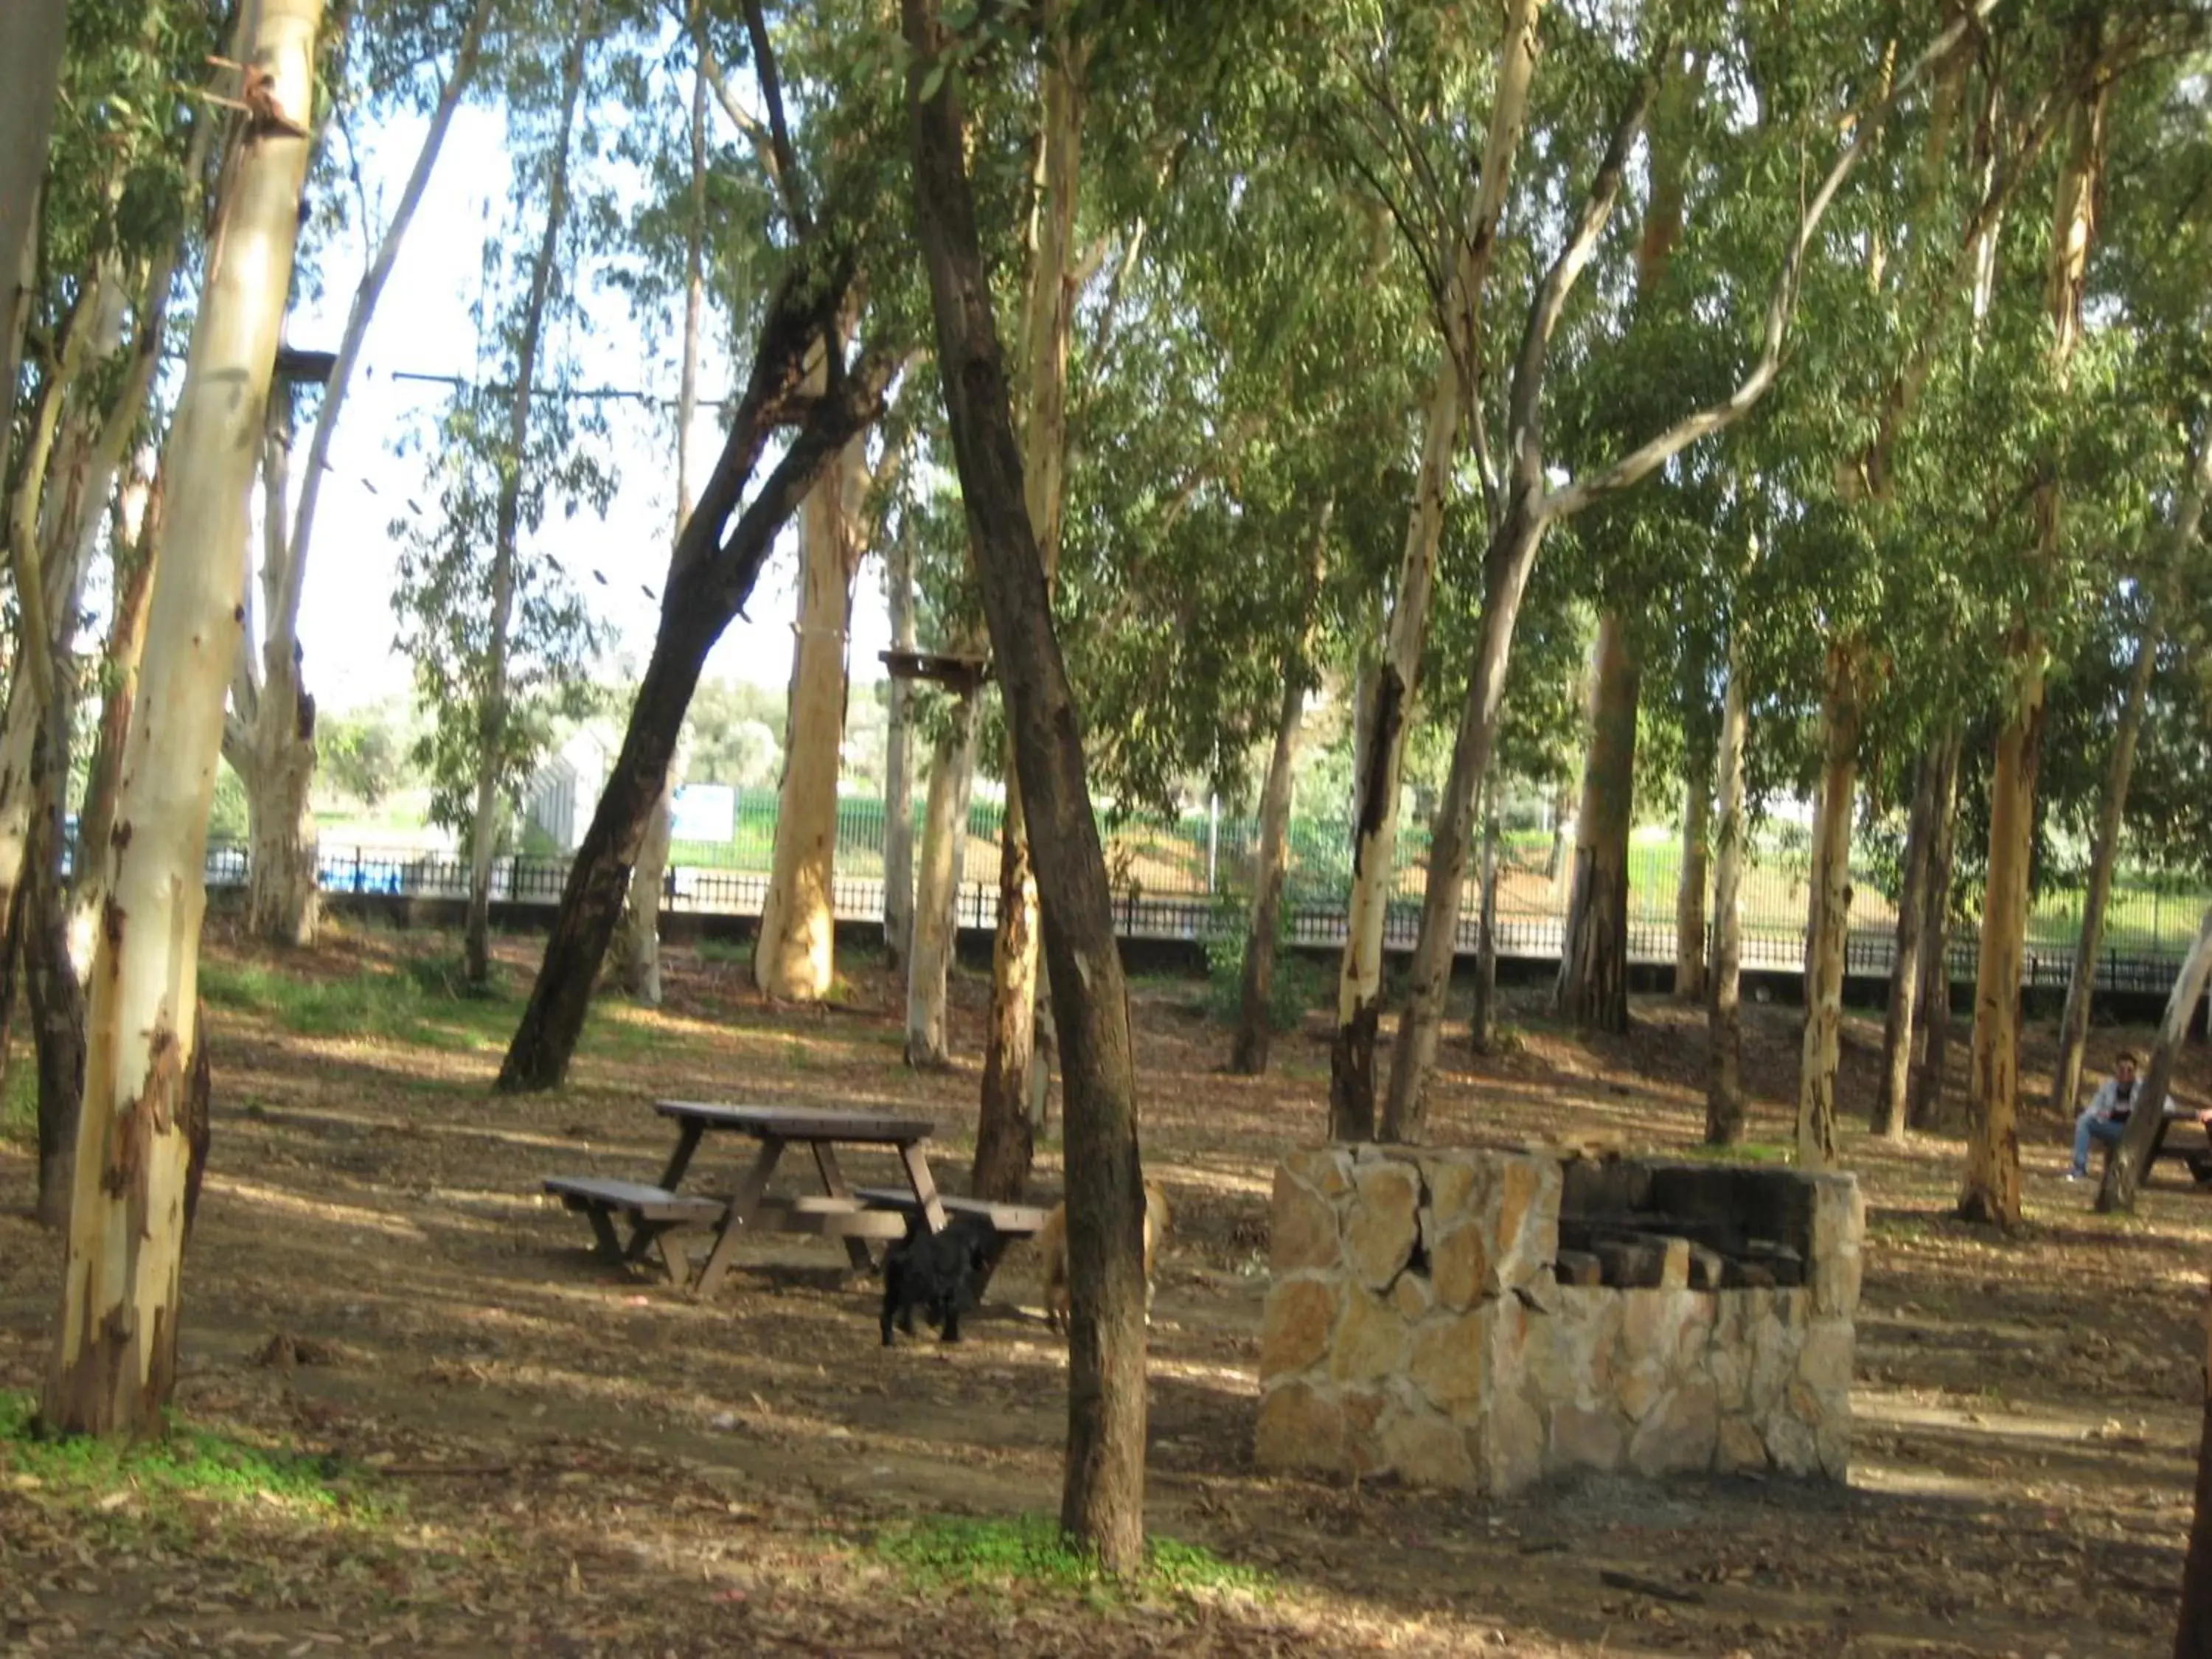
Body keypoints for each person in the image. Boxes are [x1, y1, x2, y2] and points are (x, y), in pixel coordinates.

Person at [2069, 1053, 2140, 1180]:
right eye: (2121, 1070)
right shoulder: (2108, 1088)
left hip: (2136, 1131)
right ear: (2116, 1071)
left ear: (2135, 1071)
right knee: (2083, 1121)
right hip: (2114, 1129)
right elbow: (2092, 1108)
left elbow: (2168, 1105)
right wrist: (2099, 1114)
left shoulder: (2143, 1088)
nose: (2125, 1073)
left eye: (2129, 1070)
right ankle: (2079, 1169)